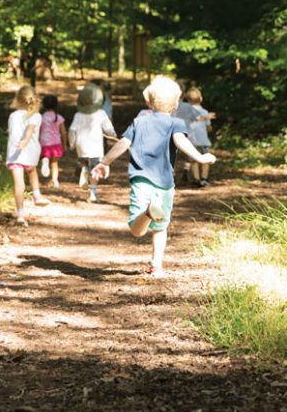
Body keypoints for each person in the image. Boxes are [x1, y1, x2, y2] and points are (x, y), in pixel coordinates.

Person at [91, 76, 216, 278]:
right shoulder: (176, 123)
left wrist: (104, 162)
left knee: (137, 230)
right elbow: (180, 142)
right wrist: (200, 157)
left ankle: (148, 213)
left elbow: (123, 144)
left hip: (141, 180)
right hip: (165, 184)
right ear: (176, 104)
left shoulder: (139, 122)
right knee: (161, 227)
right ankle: (156, 265)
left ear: (148, 103)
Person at [7, 85, 50, 226]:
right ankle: (36, 195)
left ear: (18, 100)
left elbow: (13, 132)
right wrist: (25, 142)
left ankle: (20, 213)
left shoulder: (13, 116)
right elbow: (30, 130)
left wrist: (21, 143)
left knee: (18, 184)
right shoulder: (36, 116)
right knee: (32, 171)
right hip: (30, 151)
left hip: (15, 153)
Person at [69, 83, 116, 202]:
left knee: (85, 164)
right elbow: (108, 128)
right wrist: (113, 135)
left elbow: (72, 130)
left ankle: (84, 172)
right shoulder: (100, 114)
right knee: (95, 170)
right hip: (95, 147)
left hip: (81, 146)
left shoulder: (78, 115)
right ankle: (93, 194)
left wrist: (71, 143)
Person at [173, 86, 216, 186]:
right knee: (205, 158)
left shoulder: (182, 108)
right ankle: (204, 178)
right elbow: (207, 126)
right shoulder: (204, 111)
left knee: (193, 160)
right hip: (203, 140)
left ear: (187, 99)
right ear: (201, 98)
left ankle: (196, 178)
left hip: (189, 139)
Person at [38, 94, 68, 188]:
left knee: (45, 157)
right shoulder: (58, 117)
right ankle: (55, 181)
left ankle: (45, 160)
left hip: (45, 143)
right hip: (56, 143)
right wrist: (65, 144)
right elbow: (63, 133)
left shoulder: (41, 117)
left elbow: (38, 131)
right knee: (54, 163)